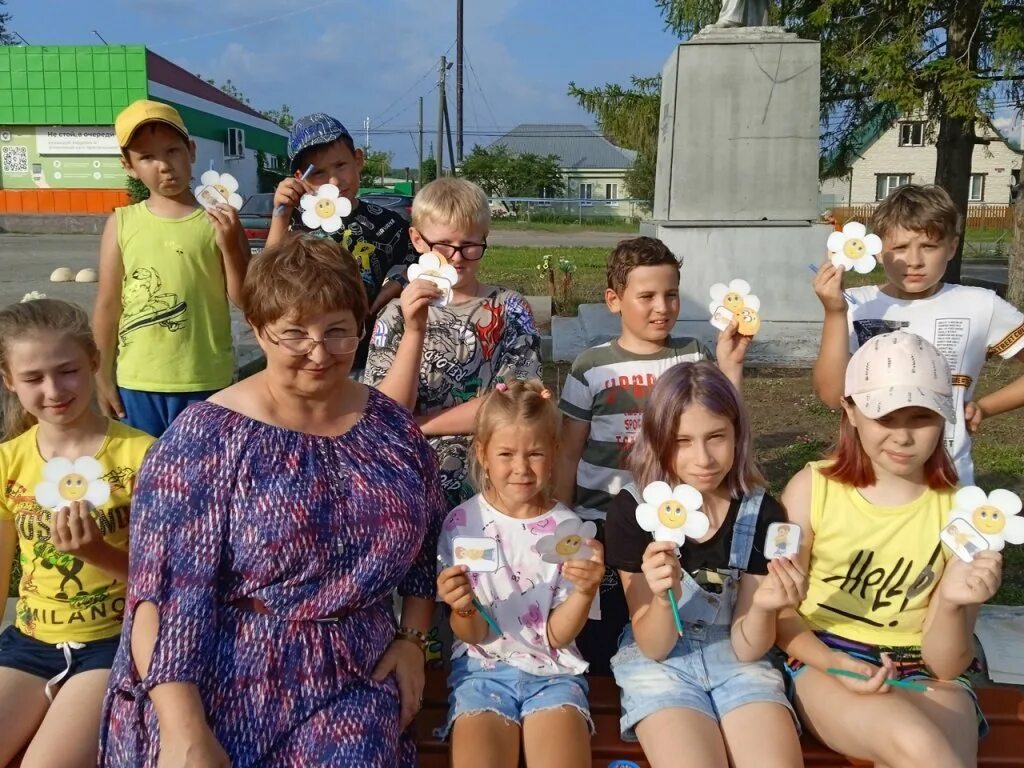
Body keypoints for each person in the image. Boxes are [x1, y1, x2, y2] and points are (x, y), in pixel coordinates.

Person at [98, 235, 446, 767]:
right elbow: (163, 598)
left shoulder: (392, 429)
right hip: (223, 667)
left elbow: (426, 546)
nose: (318, 351)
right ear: (260, 331)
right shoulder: (206, 441)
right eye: (294, 334)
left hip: (358, 670)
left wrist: (413, 640)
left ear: (361, 327)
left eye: (336, 332)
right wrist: (183, 729)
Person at [779, 330, 1000, 766]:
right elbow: (780, 614)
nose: (902, 437)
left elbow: (948, 664)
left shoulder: (965, 513)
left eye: (921, 418)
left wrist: (954, 603)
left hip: (926, 668)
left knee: (943, 754)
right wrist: (835, 664)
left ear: (944, 417)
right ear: (850, 411)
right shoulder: (811, 488)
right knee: (921, 747)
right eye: (885, 417)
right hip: (826, 656)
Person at [555, 236, 749, 674]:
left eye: (671, 294)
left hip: (674, 526)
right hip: (603, 523)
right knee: (601, 636)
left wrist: (731, 367)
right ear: (614, 300)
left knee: (664, 626)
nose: (662, 307)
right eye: (646, 296)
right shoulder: (591, 366)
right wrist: (563, 517)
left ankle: (668, 697)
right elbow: (568, 452)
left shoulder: (693, 355)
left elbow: (724, 424)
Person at [604, 362, 802, 768]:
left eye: (716, 437)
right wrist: (662, 597)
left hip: (738, 661)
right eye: (682, 441)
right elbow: (654, 645)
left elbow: (749, 647)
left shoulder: (760, 513)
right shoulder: (634, 511)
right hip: (659, 667)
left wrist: (766, 605)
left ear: (737, 435)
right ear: (658, 440)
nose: (703, 458)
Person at [0, 298, 154, 767]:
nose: (53, 390)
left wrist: (97, 551)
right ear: (9, 381)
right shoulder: (8, 461)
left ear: (94, 361)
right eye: (32, 378)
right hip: (29, 641)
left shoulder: (144, 456)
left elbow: (166, 581)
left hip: (114, 644)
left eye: (67, 370)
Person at [437, 380, 603, 768]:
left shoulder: (569, 530)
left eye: (536, 454)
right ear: (483, 453)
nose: (521, 469)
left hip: (555, 674)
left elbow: (557, 636)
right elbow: (474, 634)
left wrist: (583, 591)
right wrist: (462, 608)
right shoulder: (462, 524)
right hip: (482, 671)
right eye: (506, 454)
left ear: (555, 452)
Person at [812, 183, 1024, 484]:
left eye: (929, 246)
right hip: (869, 479)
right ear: (879, 249)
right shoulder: (855, 304)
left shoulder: (981, 305)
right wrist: (834, 313)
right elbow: (833, 397)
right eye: (899, 247)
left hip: (947, 479)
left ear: (952, 247)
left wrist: (985, 407)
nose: (914, 260)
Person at [364, 177, 542, 509]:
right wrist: (415, 331)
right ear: (417, 240)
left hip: (488, 481)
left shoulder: (509, 308)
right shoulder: (395, 315)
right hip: (407, 478)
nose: (457, 258)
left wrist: (422, 424)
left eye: (470, 246)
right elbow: (387, 411)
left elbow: (513, 403)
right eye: (443, 246)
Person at [93, 99, 248, 437]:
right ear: (129, 165)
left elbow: (244, 297)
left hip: (206, 378)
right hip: (137, 382)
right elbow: (108, 304)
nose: (164, 166)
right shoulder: (121, 223)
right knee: (143, 475)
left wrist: (231, 245)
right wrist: (101, 375)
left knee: (202, 478)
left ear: (190, 151)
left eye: (172, 151)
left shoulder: (219, 220)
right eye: (147, 157)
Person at [266, 112, 417, 366]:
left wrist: (396, 285)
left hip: (375, 357)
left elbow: (422, 260)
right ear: (300, 179)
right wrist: (280, 214)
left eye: (340, 165)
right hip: (311, 357)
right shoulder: (295, 224)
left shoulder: (388, 222)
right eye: (319, 173)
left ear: (358, 159)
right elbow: (267, 274)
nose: (334, 181)